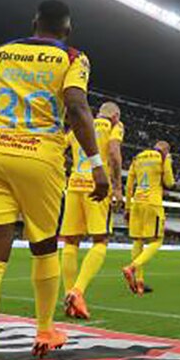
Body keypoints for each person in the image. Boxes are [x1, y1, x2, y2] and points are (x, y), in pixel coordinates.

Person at [0, 0, 109, 360]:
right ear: (67, 29)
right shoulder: (73, 57)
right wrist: (97, 164)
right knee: (44, 247)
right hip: (40, 157)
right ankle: (45, 330)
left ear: (34, 23)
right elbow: (77, 107)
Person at [61, 102, 124, 320]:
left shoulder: (80, 125)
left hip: (74, 185)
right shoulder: (113, 126)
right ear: (115, 116)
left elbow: (60, 149)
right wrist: (117, 187)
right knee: (100, 240)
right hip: (98, 185)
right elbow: (114, 153)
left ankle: (68, 295)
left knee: (70, 242)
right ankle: (77, 291)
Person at [121, 141, 174, 294]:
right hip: (152, 203)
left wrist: (127, 207)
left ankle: (139, 282)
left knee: (138, 241)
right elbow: (169, 182)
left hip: (137, 202)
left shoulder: (137, 158)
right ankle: (132, 267)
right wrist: (167, 161)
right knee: (157, 240)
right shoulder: (162, 158)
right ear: (166, 149)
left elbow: (129, 185)